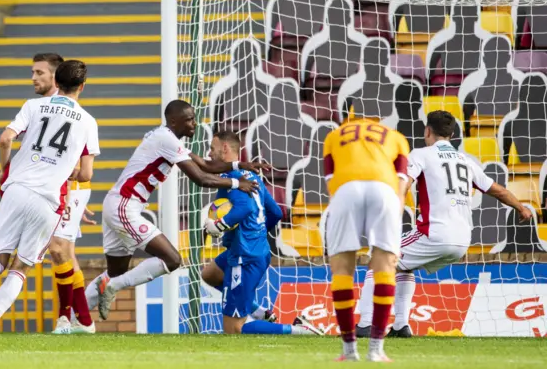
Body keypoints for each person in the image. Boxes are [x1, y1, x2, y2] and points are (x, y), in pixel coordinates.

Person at [356, 111, 532, 338]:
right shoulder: (466, 160)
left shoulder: (420, 154)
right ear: (451, 134)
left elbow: (405, 184)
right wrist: (521, 207)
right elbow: (496, 189)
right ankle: (400, 326)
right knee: (404, 266)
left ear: (427, 131)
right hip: (463, 240)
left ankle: (365, 324)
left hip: (434, 233)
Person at [86, 100, 267, 320]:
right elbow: (200, 178)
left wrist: (240, 165)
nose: (194, 124)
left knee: (115, 272)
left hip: (118, 204)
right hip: (124, 205)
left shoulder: (167, 138)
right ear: (174, 120)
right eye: (189, 119)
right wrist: (238, 184)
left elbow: (206, 165)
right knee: (171, 259)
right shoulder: (166, 140)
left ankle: (75, 317)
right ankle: (112, 287)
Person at [0, 60, 100, 341]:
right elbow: (86, 173)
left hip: (16, 189)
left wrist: (5, 171)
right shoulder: (88, 122)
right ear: (82, 87)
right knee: (21, 268)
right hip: (48, 200)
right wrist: (65, 167)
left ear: (56, 82)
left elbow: (5, 139)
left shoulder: (33, 106)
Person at [202, 131, 322, 335]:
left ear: (225, 149)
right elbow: (276, 212)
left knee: (234, 330)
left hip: (244, 257)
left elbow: (245, 209)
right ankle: (258, 311)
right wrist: (255, 233)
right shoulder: (252, 176)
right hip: (252, 250)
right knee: (211, 274)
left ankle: (300, 330)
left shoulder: (232, 177)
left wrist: (220, 225)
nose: (210, 153)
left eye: (213, 149)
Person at [323, 118, 410, 362]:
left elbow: (330, 180)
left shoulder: (334, 136)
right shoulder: (396, 137)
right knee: (385, 268)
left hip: (345, 190)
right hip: (384, 190)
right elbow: (402, 182)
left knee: (342, 271)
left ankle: (349, 350)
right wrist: (395, 213)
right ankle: (376, 350)